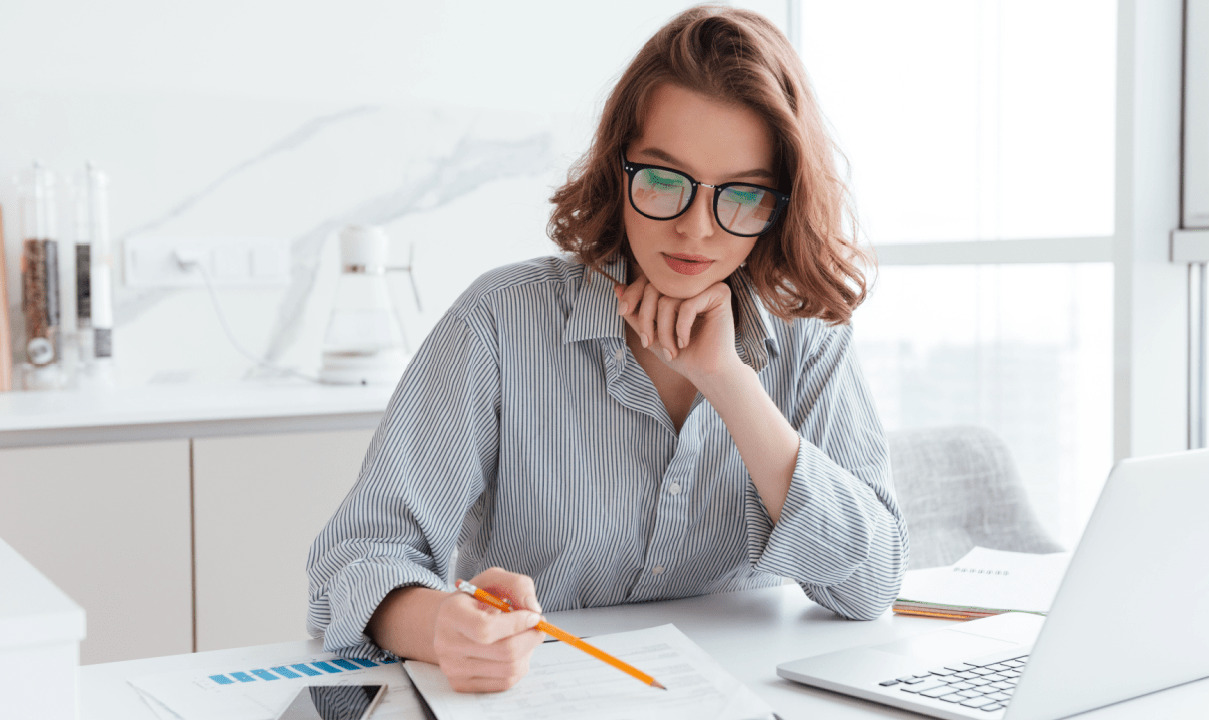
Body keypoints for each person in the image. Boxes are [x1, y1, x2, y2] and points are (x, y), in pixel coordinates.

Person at [306, 5, 908, 693]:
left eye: (741, 196)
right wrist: (444, 625)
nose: (695, 229)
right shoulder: (501, 321)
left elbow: (871, 583)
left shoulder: (808, 335)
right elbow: (354, 563)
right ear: (618, 169)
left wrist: (730, 384)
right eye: (662, 180)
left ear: (781, 200)